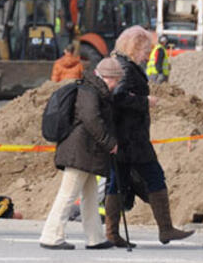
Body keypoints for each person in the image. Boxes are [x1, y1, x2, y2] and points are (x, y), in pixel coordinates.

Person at [107, 26, 194, 247]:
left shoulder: (121, 64)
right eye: (146, 49)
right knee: (155, 177)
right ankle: (165, 229)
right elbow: (118, 97)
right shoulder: (126, 68)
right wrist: (145, 102)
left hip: (125, 137)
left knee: (117, 183)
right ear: (135, 47)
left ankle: (112, 233)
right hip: (132, 139)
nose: (148, 54)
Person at [39, 58, 122, 250]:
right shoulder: (89, 91)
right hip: (79, 152)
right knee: (68, 194)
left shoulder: (94, 89)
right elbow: (91, 119)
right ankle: (51, 236)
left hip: (87, 152)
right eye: (115, 80)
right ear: (107, 77)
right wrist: (110, 142)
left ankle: (95, 237)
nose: (116, 85)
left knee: (90, 196)